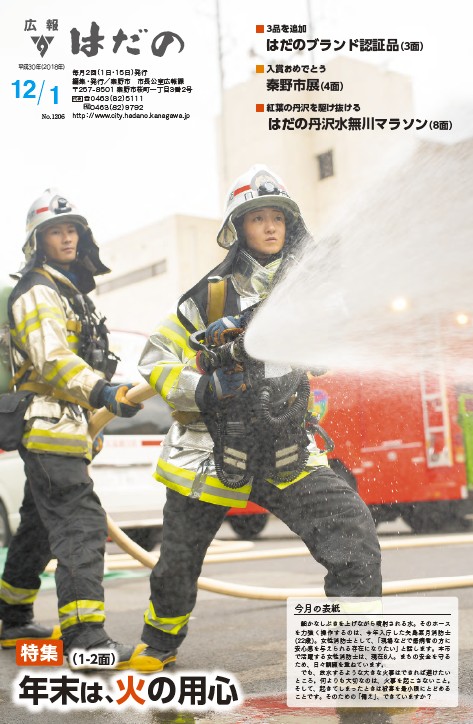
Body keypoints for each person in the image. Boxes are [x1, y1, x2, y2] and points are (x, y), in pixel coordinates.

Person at [131, 165, 382, 673]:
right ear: (238, 228)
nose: (270, 227)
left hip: (286, 449)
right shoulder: (211, 296)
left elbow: (324, 353)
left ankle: (356, 665)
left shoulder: (305, 290)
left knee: (353, 533)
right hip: (209, 450)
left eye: (278, 218)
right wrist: (202, 387)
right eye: (257, 219)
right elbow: (155, 357)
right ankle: (158, 643)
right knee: (179, 561)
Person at [0, 189, 142, 668]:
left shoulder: (70, 291)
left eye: (72, 229)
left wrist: (93, 418)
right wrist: (102, 392)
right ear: (38, 241)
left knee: (40, 527)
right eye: (56, 230)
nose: (67, 237)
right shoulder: (38, 290)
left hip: (66, 426)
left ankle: (11, 614)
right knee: (80, 526)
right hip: (48, 424)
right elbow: (53, 360)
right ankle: (85, 640)